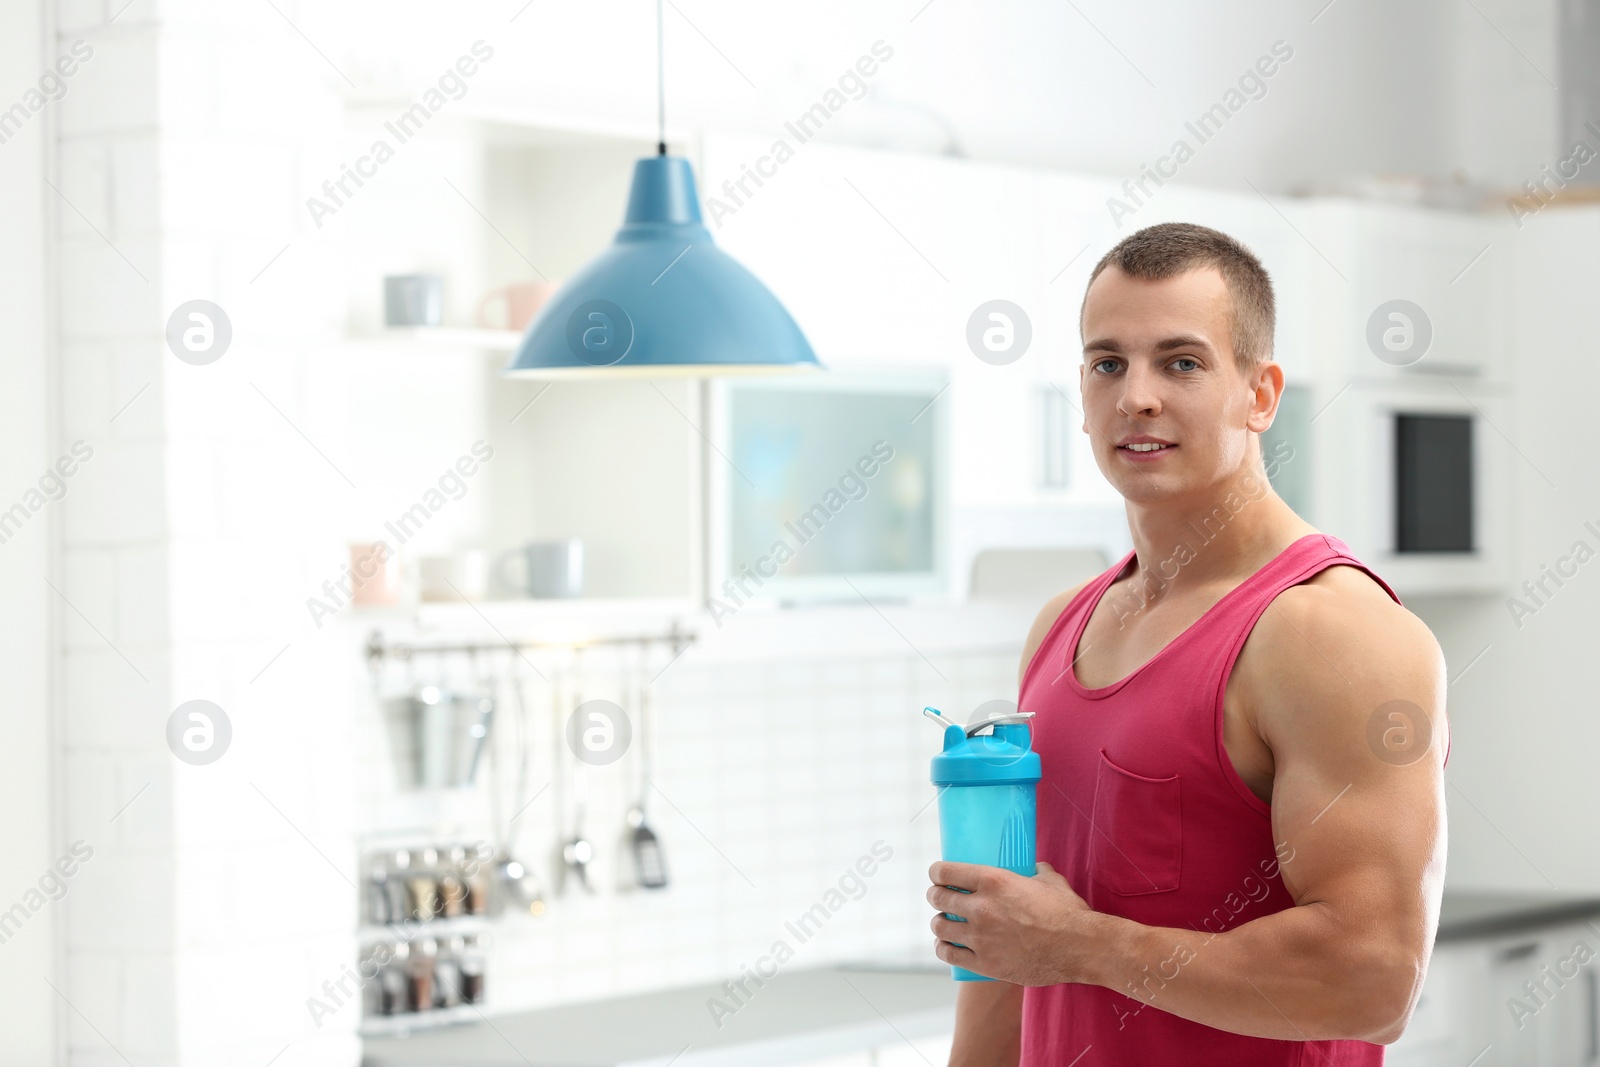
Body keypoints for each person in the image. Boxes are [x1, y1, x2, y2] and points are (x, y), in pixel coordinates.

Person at [928, 222, 1450, 1066]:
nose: (1137, 395)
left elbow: (1374, 978)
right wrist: (1032, 943)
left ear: (1262, 392)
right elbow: (1009, 955)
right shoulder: (1063, 624)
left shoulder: (1331, 632)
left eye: (1182, 362)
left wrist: (1078, 944)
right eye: (1107, 363)